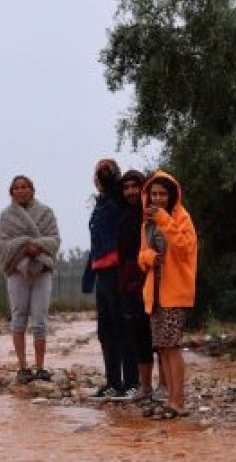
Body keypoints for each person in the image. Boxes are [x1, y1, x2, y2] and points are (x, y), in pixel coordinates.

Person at [138, 171, 197, 419]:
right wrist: (150, 257)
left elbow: (185, 248)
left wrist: (165, 221)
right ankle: (171, 399)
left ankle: (178, 401)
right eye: (154, 194)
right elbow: (141, 256)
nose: (158, 198)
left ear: (172, 195)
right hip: (155, 293)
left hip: (176, 291)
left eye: (163, 194)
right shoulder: (147, 222)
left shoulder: (181, 217)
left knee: (172, 347)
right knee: (162, 348)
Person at [0, 175, 61, 383]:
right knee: (18, 317)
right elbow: (2, 245)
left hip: (41, 270)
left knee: (39, 320)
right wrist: (23, 247)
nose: (21, 191)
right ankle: (22, 367)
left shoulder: (46, 212)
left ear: (32, 190)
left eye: (25, 187)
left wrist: (38, 247)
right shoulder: (6, 216)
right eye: (17, 188)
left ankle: (40, 366)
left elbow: (55, 238)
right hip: (17, 271)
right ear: (11, 192)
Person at [82, 159, 132, 400]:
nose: (102, 177)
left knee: (123, 328)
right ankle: (113, 381)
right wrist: (88, 276)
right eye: (99, 173)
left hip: (119, 272)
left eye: (106, 173)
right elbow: (95, 246)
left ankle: (131, 382)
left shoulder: (119, 200)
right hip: (102, 272)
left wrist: (111, 178)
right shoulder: (100, 205)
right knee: (106, 331)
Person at [115, 168, 156, 401]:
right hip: (129, 284)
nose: (130, 191)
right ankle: (145, 388)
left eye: (135, 186)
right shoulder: (123, 219)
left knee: (159, 336)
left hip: (153, 281)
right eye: (126, 187)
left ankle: (165, 385)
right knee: (139, 334)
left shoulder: (152, 217)